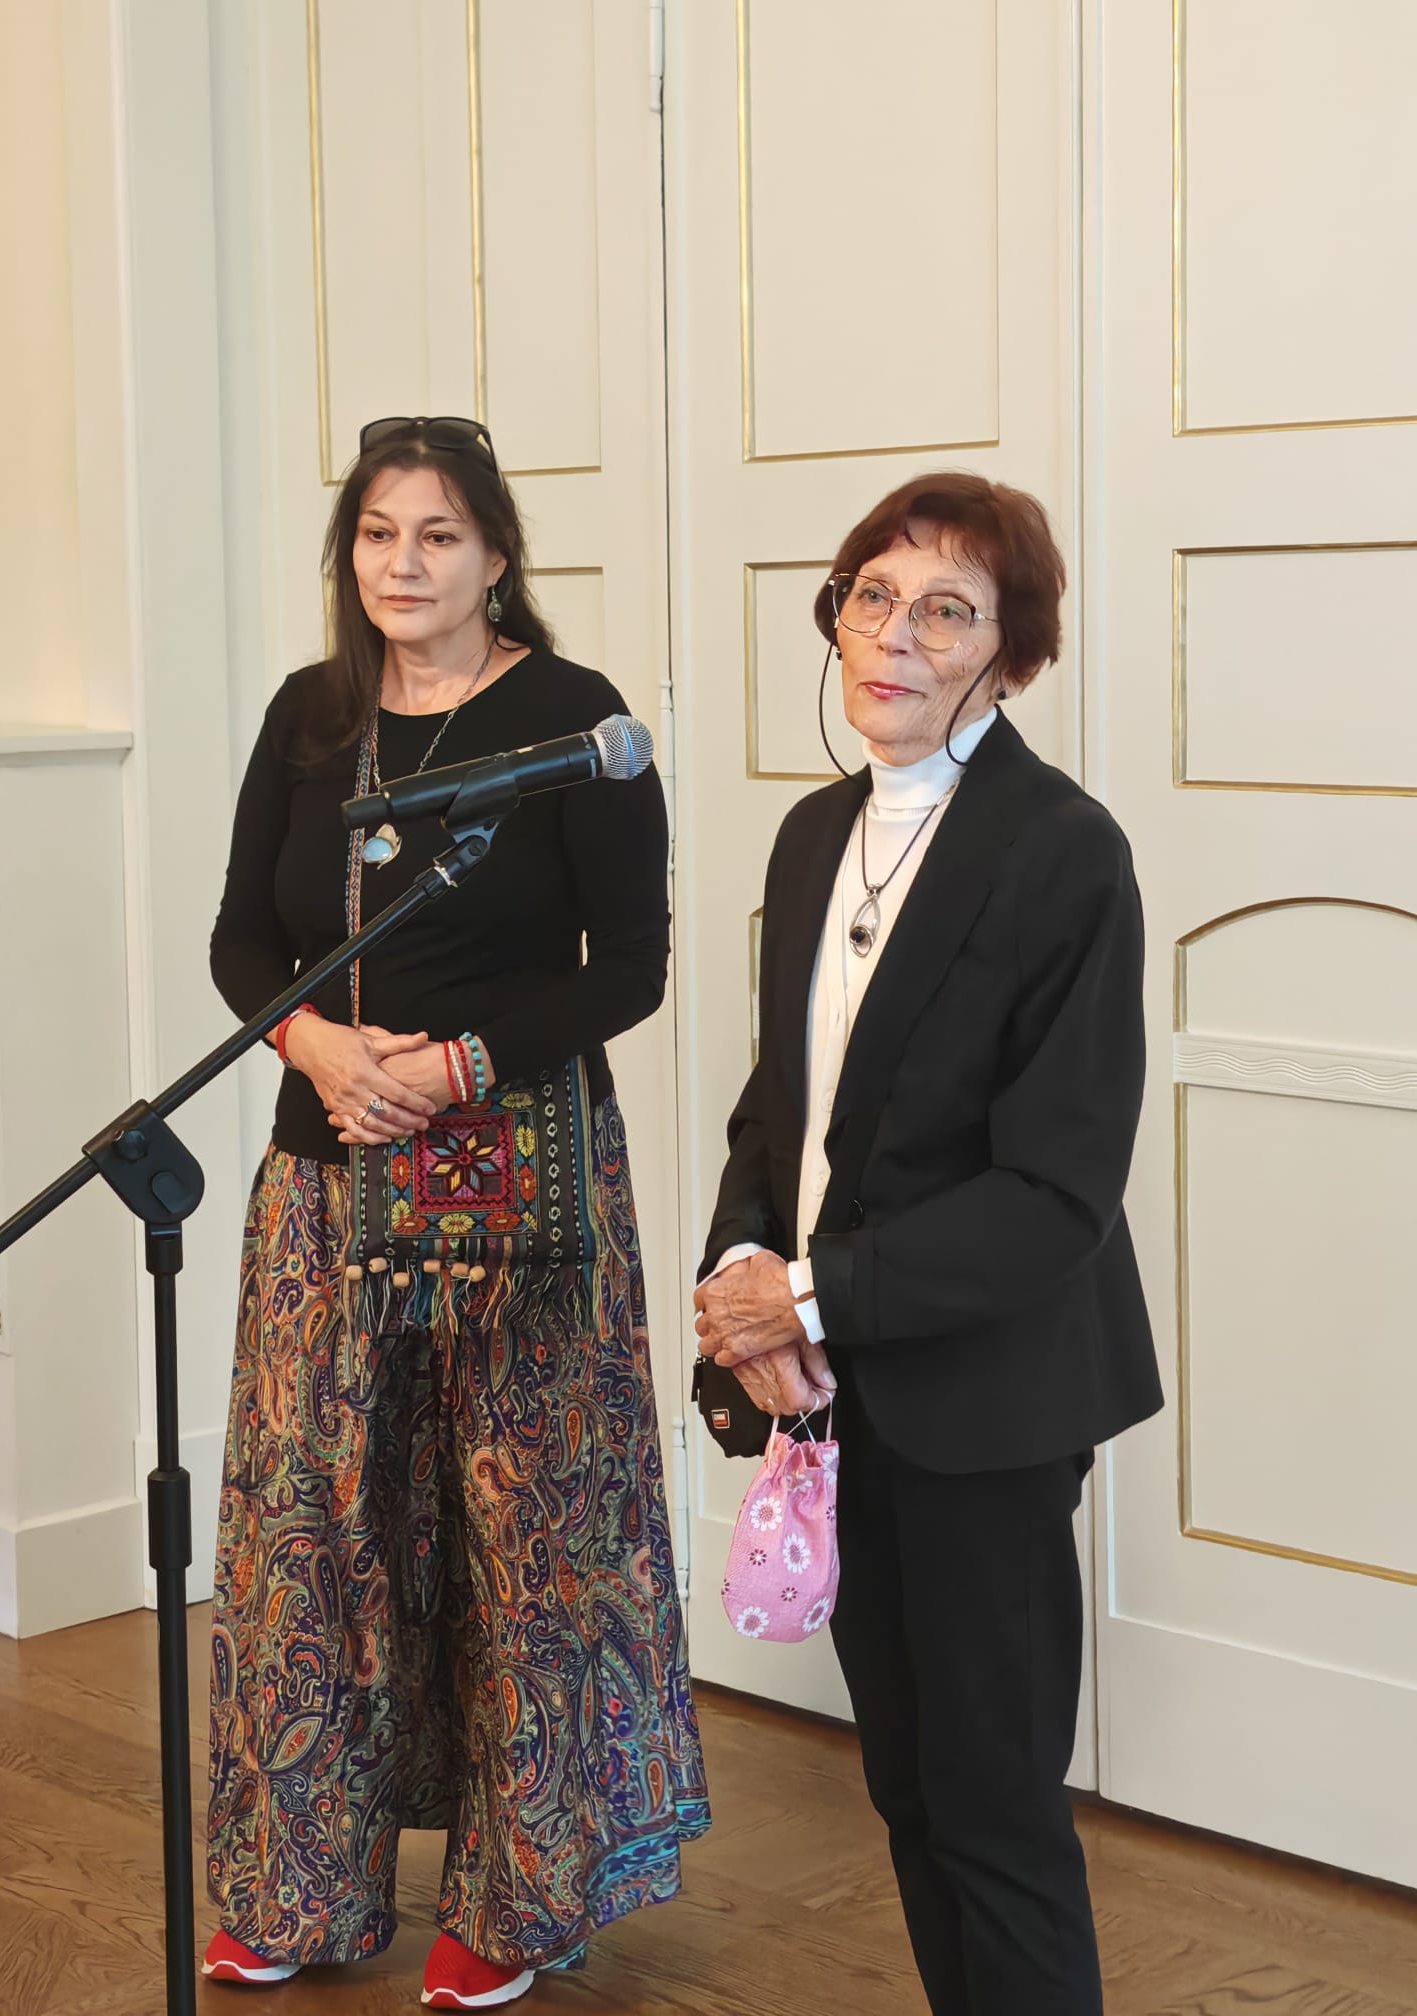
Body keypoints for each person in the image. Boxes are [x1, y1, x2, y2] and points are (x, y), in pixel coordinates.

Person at [205, 416, 708, 2008]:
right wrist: (316, 1044)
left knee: (526, 1535)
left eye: (437, 534)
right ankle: (295, 1885)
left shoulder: (576, 724)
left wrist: (458, 1065)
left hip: (521, 1176)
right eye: (377, 533)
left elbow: (634, 965)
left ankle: (523, 1904)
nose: (403, 563)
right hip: (324, 1168)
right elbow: (238, 938)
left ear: (497, 554)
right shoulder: (310, 719)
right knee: (315, 1527)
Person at [694, 471, 1162, 2015]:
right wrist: (737, 1277)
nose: (893, 636)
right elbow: (784, 1106)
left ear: (1010, 658)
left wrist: (804, 1296)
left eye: (945, 611)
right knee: (904, 1789)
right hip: (840, 1396)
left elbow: (1057, 1191)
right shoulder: (811, 834)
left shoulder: (1064, 850)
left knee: (994, 1813)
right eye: (872, 599)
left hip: (988, 1404)